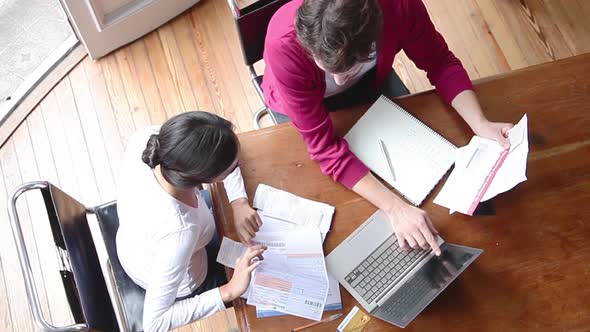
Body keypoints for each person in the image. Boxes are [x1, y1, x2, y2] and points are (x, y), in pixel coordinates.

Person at [261, 0, 514, 255]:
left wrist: (480, 123)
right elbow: (325, 149)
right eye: (328, 68)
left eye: (350, 70)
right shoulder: (284, 46)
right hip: (301, 101)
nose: (337, 81)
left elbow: (439, 62)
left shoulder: (401, 6)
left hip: (370, 85)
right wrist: (395, 208)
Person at [116, 112, 266, 331]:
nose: (240, 163)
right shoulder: (180, 232)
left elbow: (218, 151)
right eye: (232, 168)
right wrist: (231, 290)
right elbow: (154, 324)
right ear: (206, 178)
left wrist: (239, 202)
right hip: (180, 277)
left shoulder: (151, 138)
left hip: (136, 245)